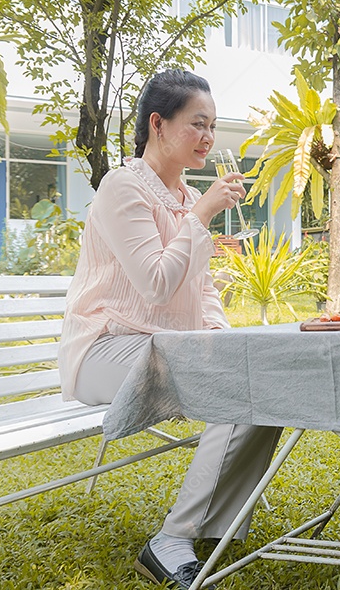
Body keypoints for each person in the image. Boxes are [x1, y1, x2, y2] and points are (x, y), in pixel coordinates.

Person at [58, 70, 282, 589]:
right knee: (227, 386)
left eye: (213, 126)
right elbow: (157, 284)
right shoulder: (122, 187)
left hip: (162, 350)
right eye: (197, 124)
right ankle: (172, 540)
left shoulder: (183, 195)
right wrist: (202, 215)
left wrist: (228, 341)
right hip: (103, 350)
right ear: (158, 124)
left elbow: (201, 291)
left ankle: (212, 527)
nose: (208, 137)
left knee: (260, 381)